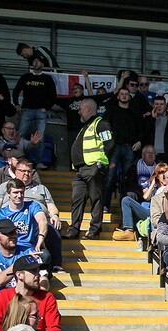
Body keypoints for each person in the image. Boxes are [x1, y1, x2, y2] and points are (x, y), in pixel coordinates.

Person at [65, 98, 114, 240]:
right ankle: (73, 230)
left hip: (94, 168)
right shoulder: (86, 126)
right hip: (81, 170)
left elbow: (109, 144)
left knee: (96, 199)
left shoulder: (101, 124)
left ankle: (94, 231)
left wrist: (103, 163)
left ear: (87, 109)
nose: (78, 112)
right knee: (77, 200)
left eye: (80, 109)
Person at [12, 56, 56, 169]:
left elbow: (53, 96)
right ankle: (16, 159)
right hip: (26, 110)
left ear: (42, 64)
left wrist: (46, 107)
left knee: (40, 137)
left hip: (41, 111)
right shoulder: (26, 77)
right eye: (34, 61)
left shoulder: (47, 78)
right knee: (20, 135)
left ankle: (39, 162)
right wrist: (17, 104)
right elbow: (16, 91)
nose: (36, 63)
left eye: (38, 61)